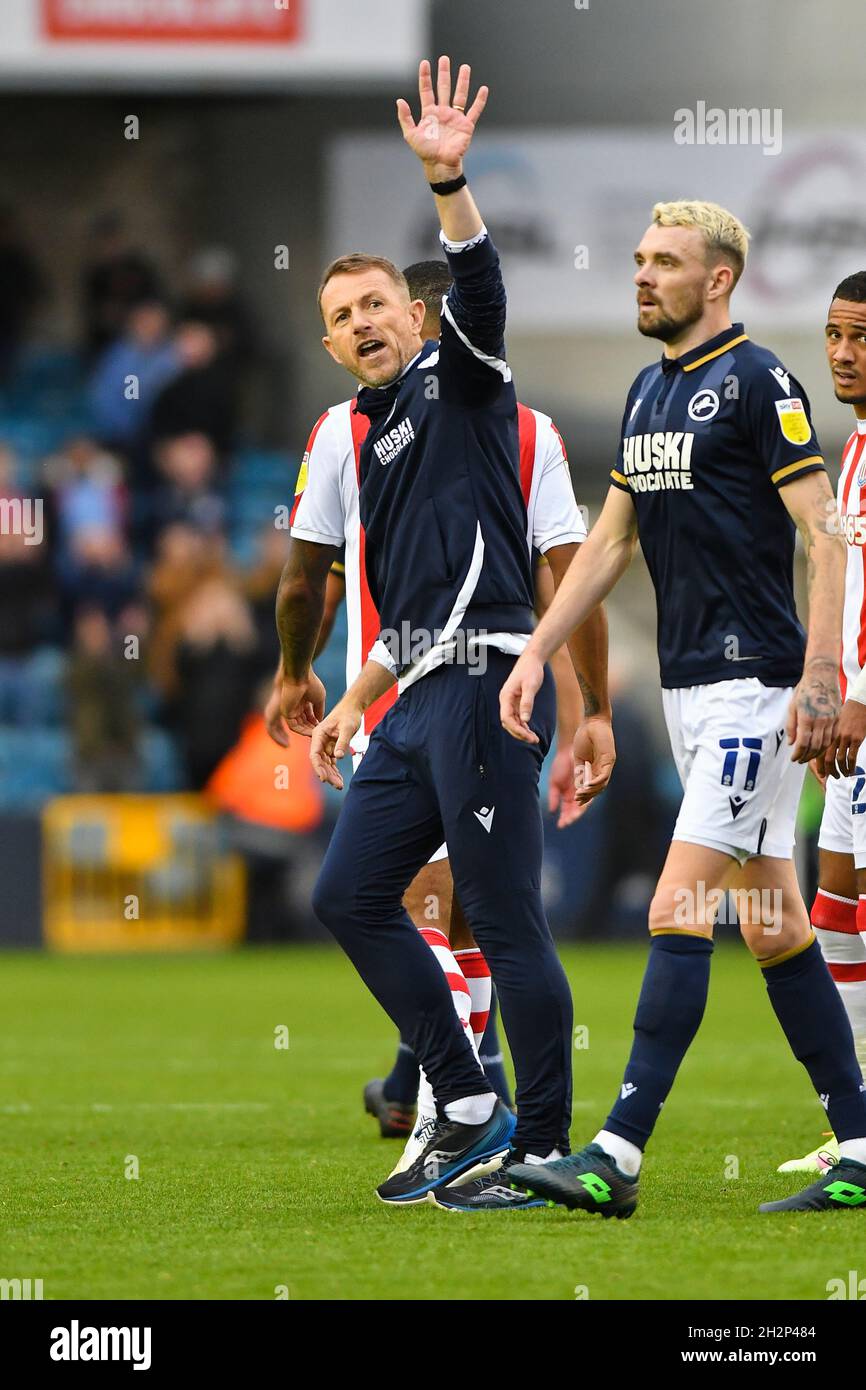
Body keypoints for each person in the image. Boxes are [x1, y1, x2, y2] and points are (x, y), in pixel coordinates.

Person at [274, 58, 614, 1207]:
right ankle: (464, 1097)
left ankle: (542, 1151)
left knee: (503, 920)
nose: (361, 322)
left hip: (481, 693)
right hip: (413, 694)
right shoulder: (364, 438)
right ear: (328, 346)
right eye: (339, 316)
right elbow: (414, 600)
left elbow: (484, 286)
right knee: (346, 897)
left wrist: (448, 181)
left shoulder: (459, 382)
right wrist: (355, 698)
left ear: (410, 317)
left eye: (375, 303)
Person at [501, 200, 866, 1217]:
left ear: (718, 280)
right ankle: (861, 1137)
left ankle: (612, 1154)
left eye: (662, 261)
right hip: (685, 689)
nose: (640, 275)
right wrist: (537, 654)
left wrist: (820, 670)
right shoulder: (645, 392)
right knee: (773, 924)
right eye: (634, 259)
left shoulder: (758, 385)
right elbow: (608, 544)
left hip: (755, 684)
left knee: (677, 904)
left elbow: (824, 533)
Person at [780, 271, 866, 1175]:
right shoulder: (851, 448)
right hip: (852, 715)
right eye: (835, 335)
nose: (841, 353)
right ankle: (858, 1122)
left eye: (860, 338)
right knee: (832, 905)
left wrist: (859, 697)